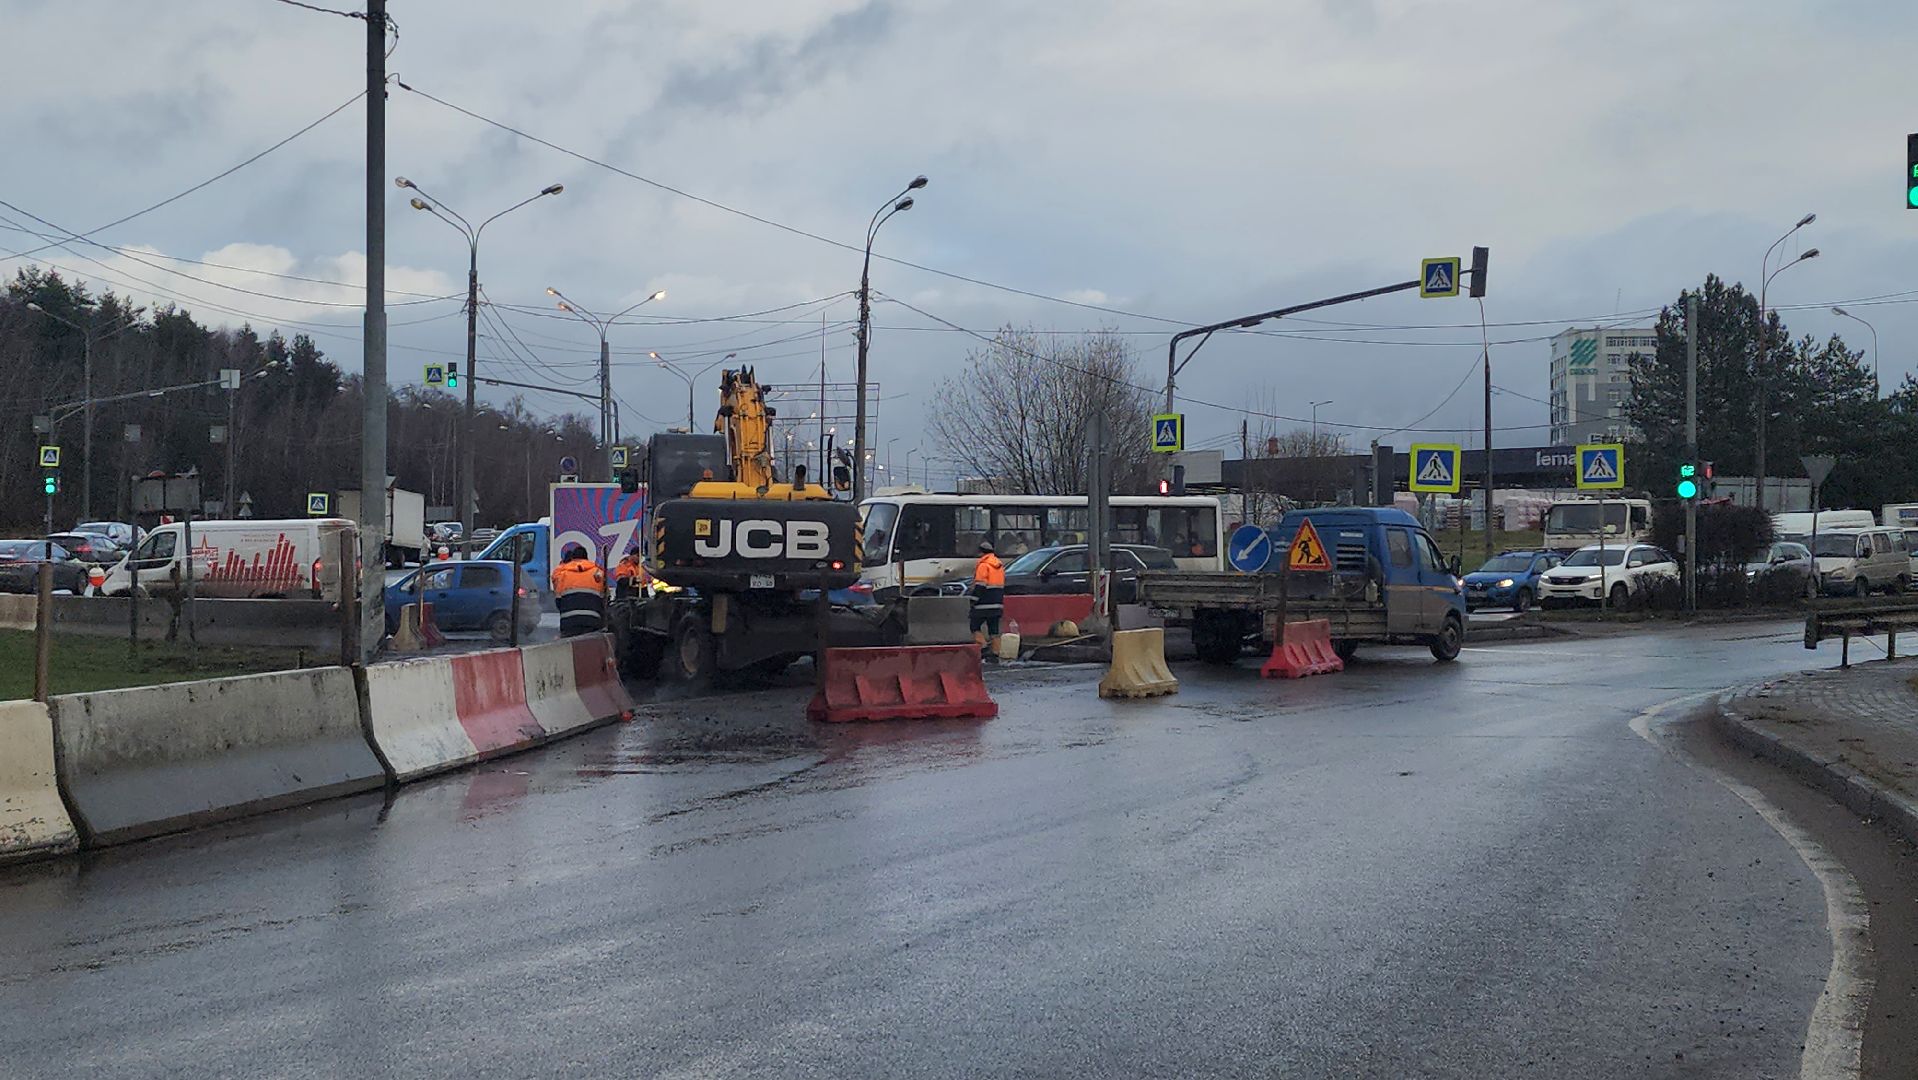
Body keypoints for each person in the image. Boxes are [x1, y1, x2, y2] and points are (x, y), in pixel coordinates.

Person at [551, 543, 607, 637]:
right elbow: (604, 600)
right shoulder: (598, 573)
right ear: (587, 558)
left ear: (572, 559)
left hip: (569, 623)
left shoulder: (563, 574)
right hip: (592, 621)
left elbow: (558, 601)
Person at [970, 540, 1006, 651]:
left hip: (983, 604)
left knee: (974, 626)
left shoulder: (983, 565)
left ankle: (983, 647)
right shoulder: (999, 566)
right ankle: (997, 652)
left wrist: (973, 600)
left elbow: (980, 585)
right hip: (997, 603)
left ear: (981, 552)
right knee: (994, 630)